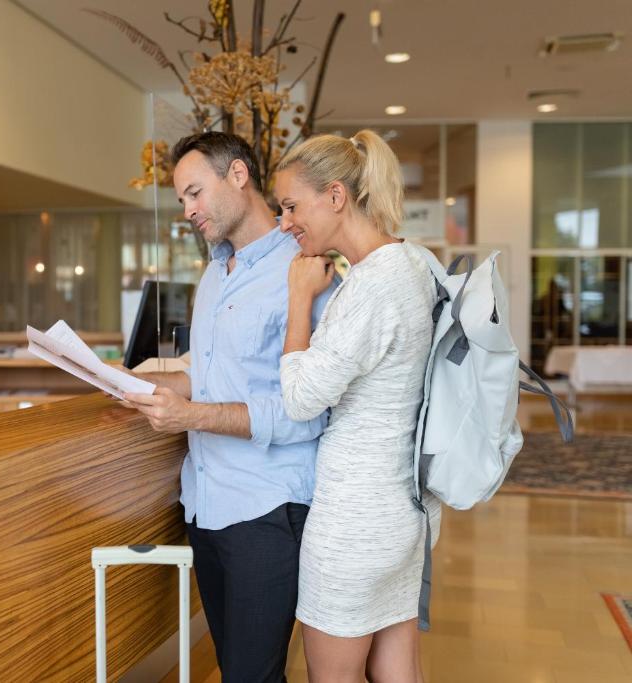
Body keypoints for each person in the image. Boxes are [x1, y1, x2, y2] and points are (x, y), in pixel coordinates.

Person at [122, 132, 336, 682]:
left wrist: (190, 416)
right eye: (181, 200)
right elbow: (212, 374)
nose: (187, 210)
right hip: (206, 505)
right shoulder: (217, 271)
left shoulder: (303, 267)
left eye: (195, 193)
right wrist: (136, 382)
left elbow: (306, 410)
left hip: (267, 508)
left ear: (238, 175)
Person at [274, 130, 441, 683]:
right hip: (404, 510)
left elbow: (300, 398)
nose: (285, 223)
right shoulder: (413, 263)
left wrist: (299, 297)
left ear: (336, 196)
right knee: (399, 672)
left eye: (292, 206)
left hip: (354, 521)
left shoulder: (371, 286)